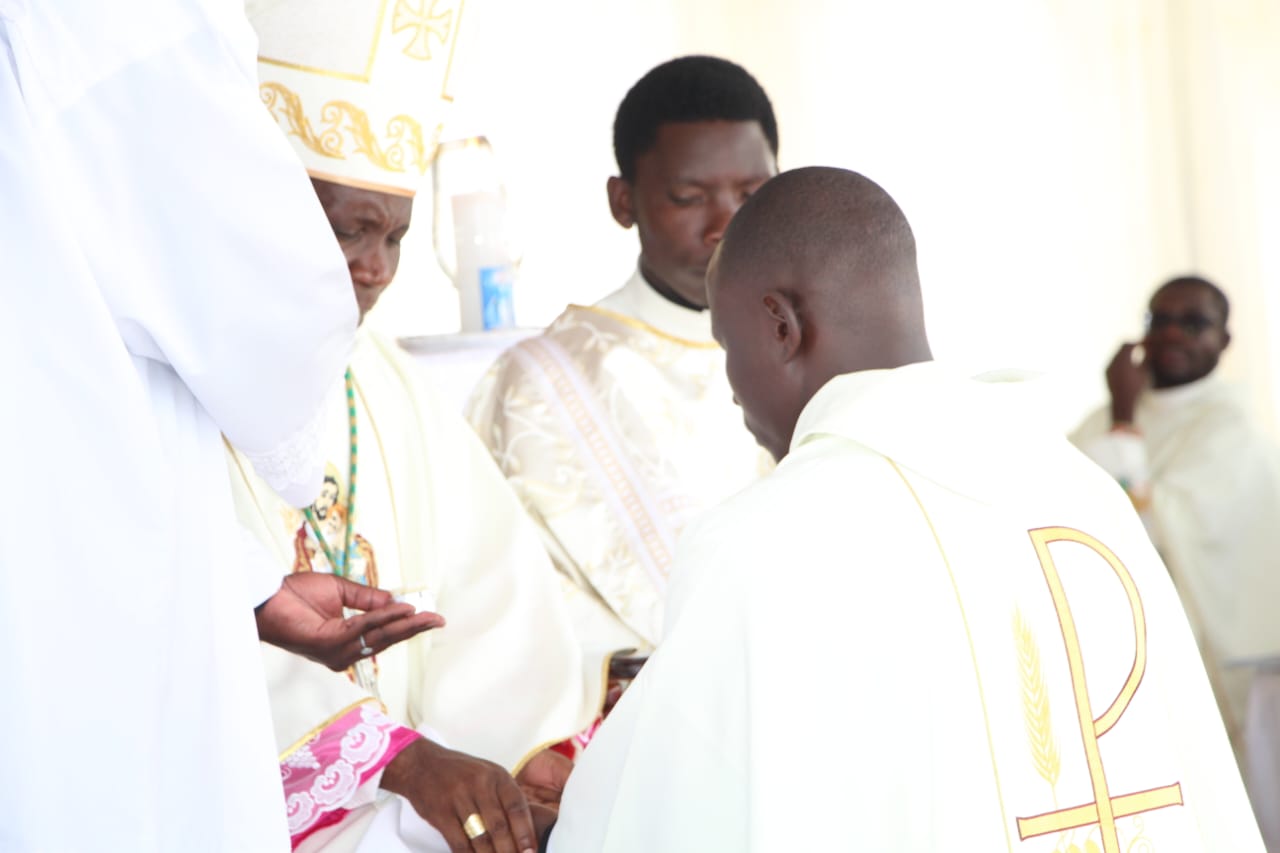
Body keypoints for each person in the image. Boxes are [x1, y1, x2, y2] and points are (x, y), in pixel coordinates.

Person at [546, 167, 1265, 851]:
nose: (733, 390)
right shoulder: (1081, 489)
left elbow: (660, 810)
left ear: (780, 325)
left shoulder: (763, 540)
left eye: (728, 346)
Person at [0, 0, 431, 849]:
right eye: (348, 229)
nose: (370, 265)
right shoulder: (131, 22)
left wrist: (248, 584)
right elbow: (266, 314)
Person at [234, 6, 605, 851]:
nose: (373, 266)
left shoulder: (389, 380)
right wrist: (391, 758)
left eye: (394, 236)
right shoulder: (172, 376)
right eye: (348, 228)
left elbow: (496, 592)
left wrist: (522, 750)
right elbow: (172, 617)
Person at [466, 56, 779, 675]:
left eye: (753, 194)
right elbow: (498, 587)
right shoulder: (539, 383)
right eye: (689, 197)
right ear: (623, 201)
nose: (726, 224)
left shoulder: (823, 353)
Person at [1070, 276, 1280, 849]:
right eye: (1157, 320)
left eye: (1191, 323)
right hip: (1117, 658)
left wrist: (1121, 409)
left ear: (1224, 338)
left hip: (1220, 674)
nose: (1169, 334)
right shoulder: (1100, 422)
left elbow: (1138, 526)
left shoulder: (1229, 430)